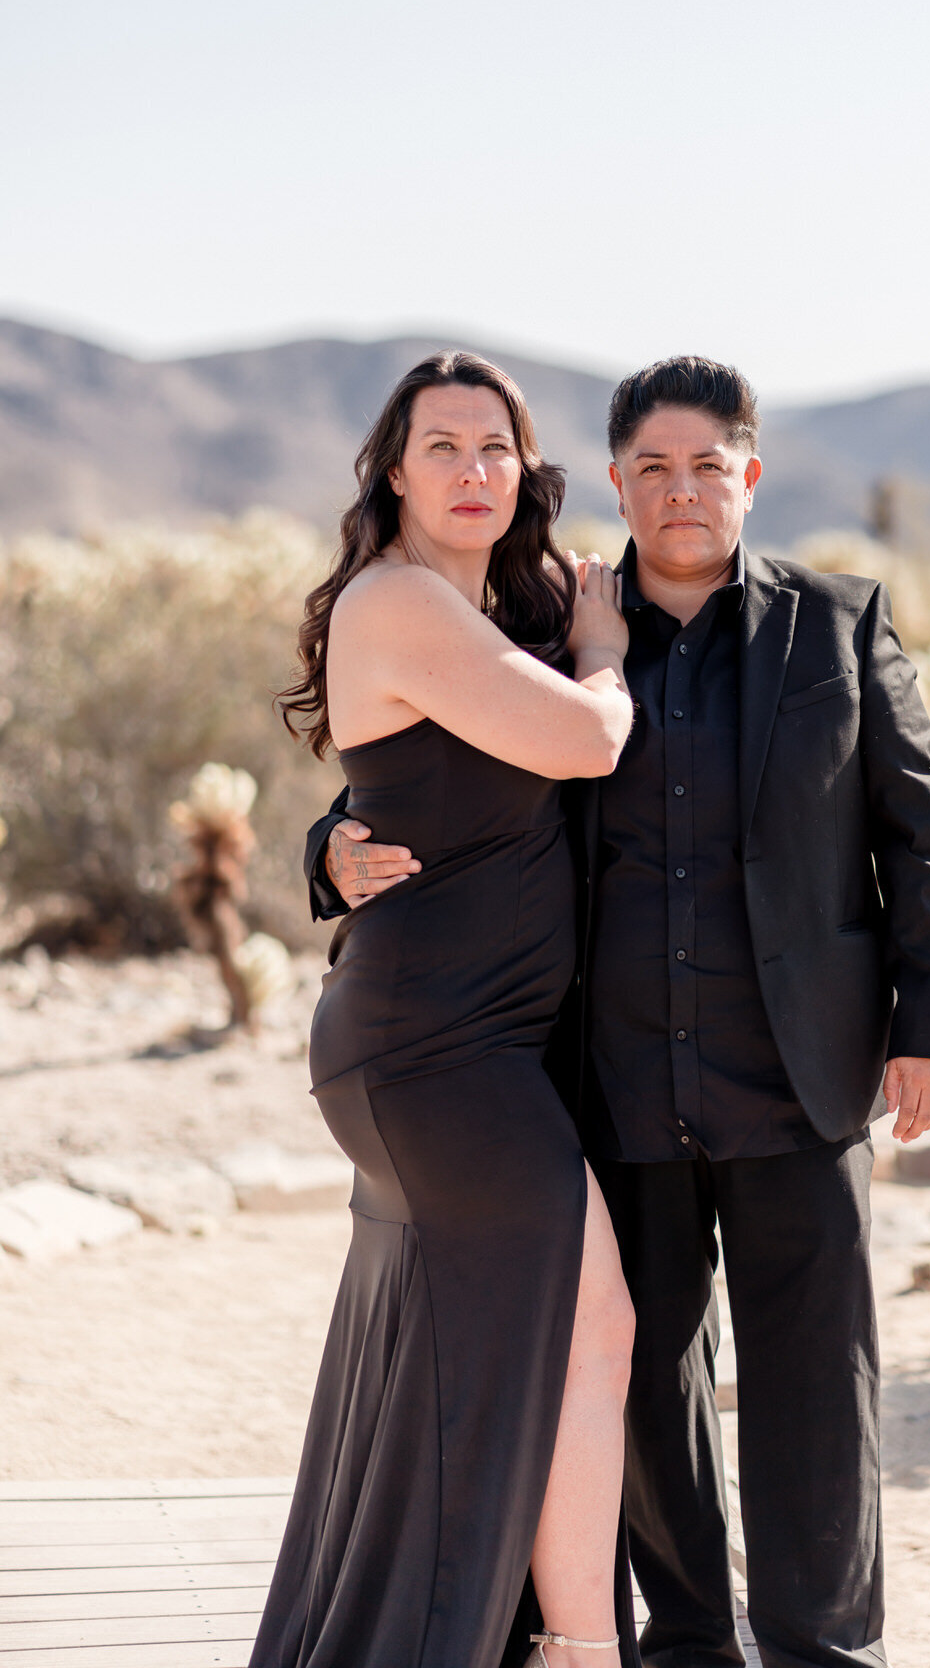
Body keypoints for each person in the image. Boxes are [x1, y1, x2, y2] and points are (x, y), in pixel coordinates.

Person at [308, 356, 930, 1668]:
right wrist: (332, 841)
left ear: (750, 476)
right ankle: (683, 1651)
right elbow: (432, 769)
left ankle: (823, 1651)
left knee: (814, 1393)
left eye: (707, 466)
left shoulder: (836, 624)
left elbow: (924, 831)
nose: (681, 492)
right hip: (614, 1085)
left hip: (802, 1078)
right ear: (616, 481)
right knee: (644, 1388)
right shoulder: (561, 629)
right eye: (652, 469)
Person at [259, 351, 641, 1668]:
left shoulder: (496, 609)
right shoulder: (404, 601)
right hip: (431, 1049)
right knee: (587, 1326)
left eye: (496, 448)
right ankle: (577, 1651)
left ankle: (505, 1639)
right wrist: (603, 656)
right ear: (394, 472)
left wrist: (329, 847)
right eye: (444, 447)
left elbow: (429, 796)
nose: (474, 471)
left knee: (509, 1344)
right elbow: (589, 743)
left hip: (471, 1046)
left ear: (523, 471)